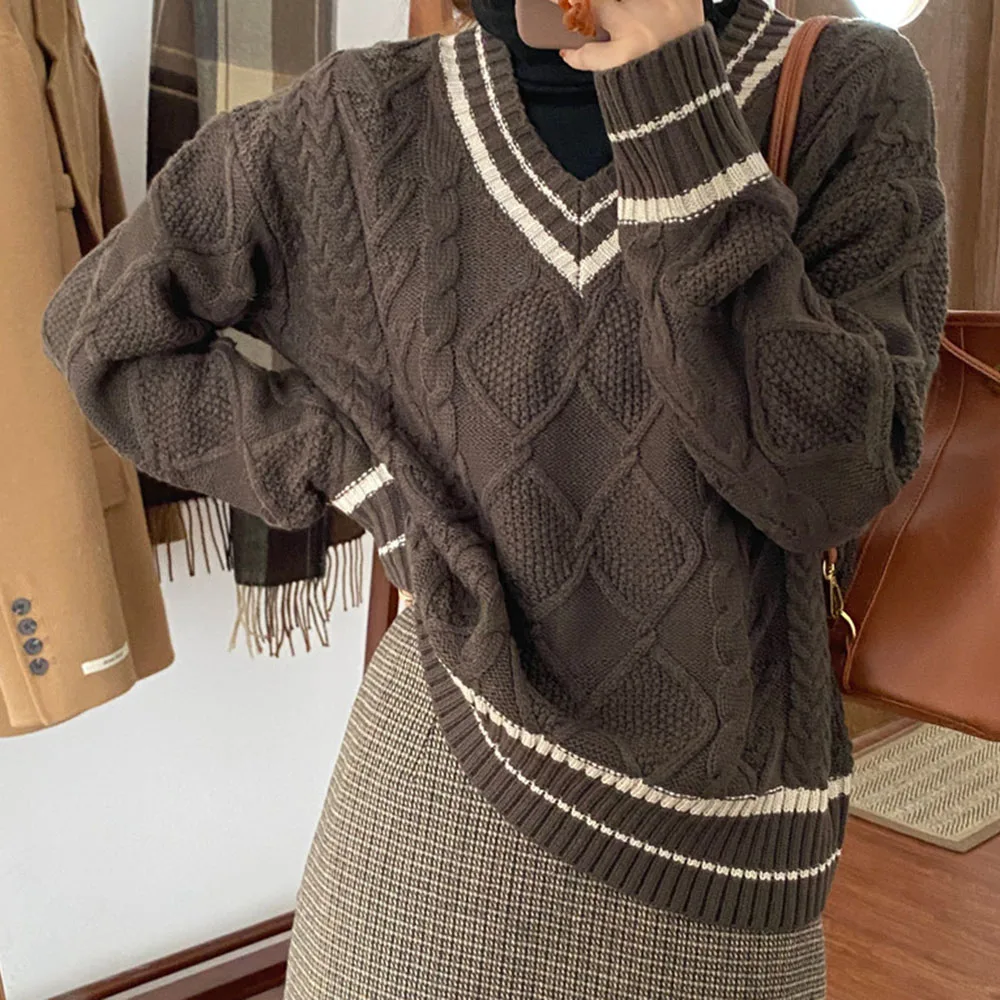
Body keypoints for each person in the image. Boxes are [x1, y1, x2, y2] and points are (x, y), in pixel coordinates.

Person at [43, 0, 948, 995]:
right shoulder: (365, 114)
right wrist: (357, 475)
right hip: (428, 822)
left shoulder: (844, 91)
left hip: (723, 867)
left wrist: (673, 106)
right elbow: (101, 330)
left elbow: (822, 488)